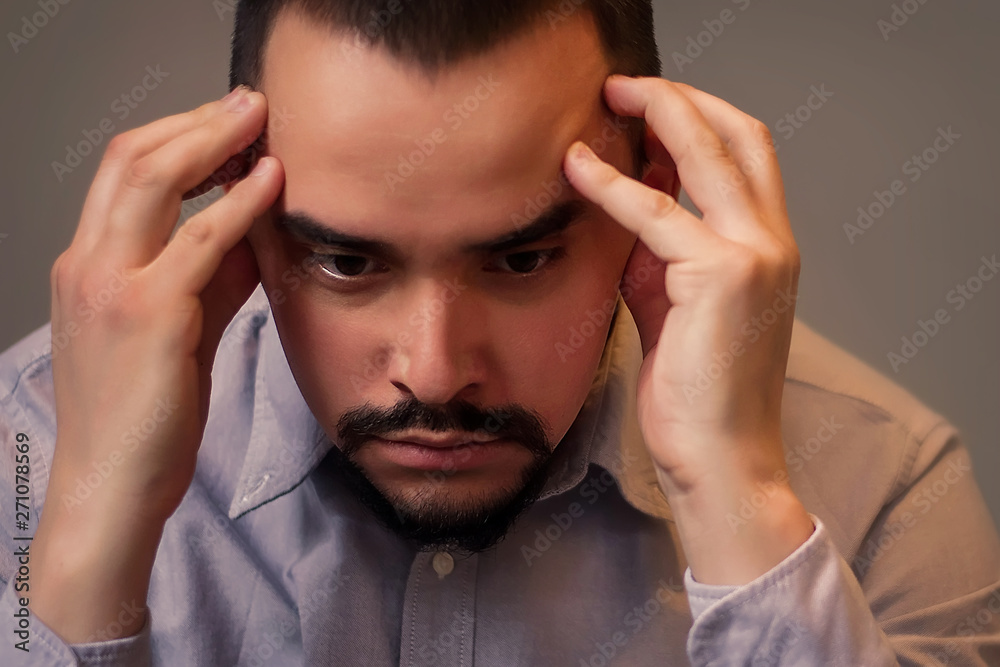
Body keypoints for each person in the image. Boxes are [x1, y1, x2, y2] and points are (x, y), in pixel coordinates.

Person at [1, 0, 998, 664]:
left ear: (651, 196)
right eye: (348, 263)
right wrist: (89, 521)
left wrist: (739, 495)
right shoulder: (25, 446)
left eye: (520, 261)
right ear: (239, 208)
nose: (434, 373)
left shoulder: (880, 498)